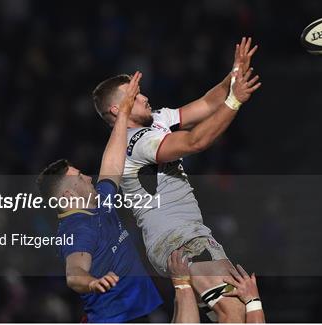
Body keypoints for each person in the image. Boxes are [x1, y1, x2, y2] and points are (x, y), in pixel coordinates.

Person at [92, 37, 261, 322]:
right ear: (117, 110)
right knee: (234, 308)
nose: (145, 97)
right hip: (180, 239)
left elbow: (207, 103)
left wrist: (233, 75)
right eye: (134, 95)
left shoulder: (156, 120)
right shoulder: (137, 142)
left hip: (182, 238)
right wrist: (234, 101)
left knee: (230, 310)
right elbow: (196, 141)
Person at [36, 72, 162, 323]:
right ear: (69, 194)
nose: (89, 178)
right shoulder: (77, 228)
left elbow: (112, 163)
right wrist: (93, 283)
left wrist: (123, 113)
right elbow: (74, 274)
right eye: (80, 177)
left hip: (134, 314)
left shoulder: (98, 203)